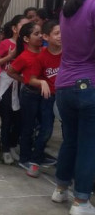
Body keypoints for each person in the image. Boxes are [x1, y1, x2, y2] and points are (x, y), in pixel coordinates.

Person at [51, 0, 95, 215]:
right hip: (88, 84)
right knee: (88, 144)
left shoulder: (70, 8)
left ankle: (60, 188)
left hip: (64, 84)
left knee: (71, 140)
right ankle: (81, 201)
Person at [7, 22, 45, 177]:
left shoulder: (45, 52)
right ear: (26, 39)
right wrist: (25, 80)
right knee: (28, 127)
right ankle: (24, 158)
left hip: (44, 94)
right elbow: (11, 72)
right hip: (29, 94)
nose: (41, 36)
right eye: (36, 34)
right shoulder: (24, 56)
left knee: (43, 126)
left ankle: (37, 156)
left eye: (41, 33)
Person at [0, 15, 29, 164]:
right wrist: (10, 56)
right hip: (6, 85)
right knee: (7, 118)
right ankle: (5, 149)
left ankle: (13, 145)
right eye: (23, 25)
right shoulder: (6, 43)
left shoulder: (28, 45)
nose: (27, 29)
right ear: (14, 28)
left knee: (19, 119)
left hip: (21, 84)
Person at [27, 20, 61, 169]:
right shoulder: (41, 57)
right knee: (46, 130)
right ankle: (35, 159)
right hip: (48, 98)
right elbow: (31, 79)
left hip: (66, 97)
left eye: (63, 33)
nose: (61, 36)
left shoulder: (69, 53)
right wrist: (42, 82)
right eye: (57, 33)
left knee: (69, 133)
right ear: (46, 37)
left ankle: (68, 166)